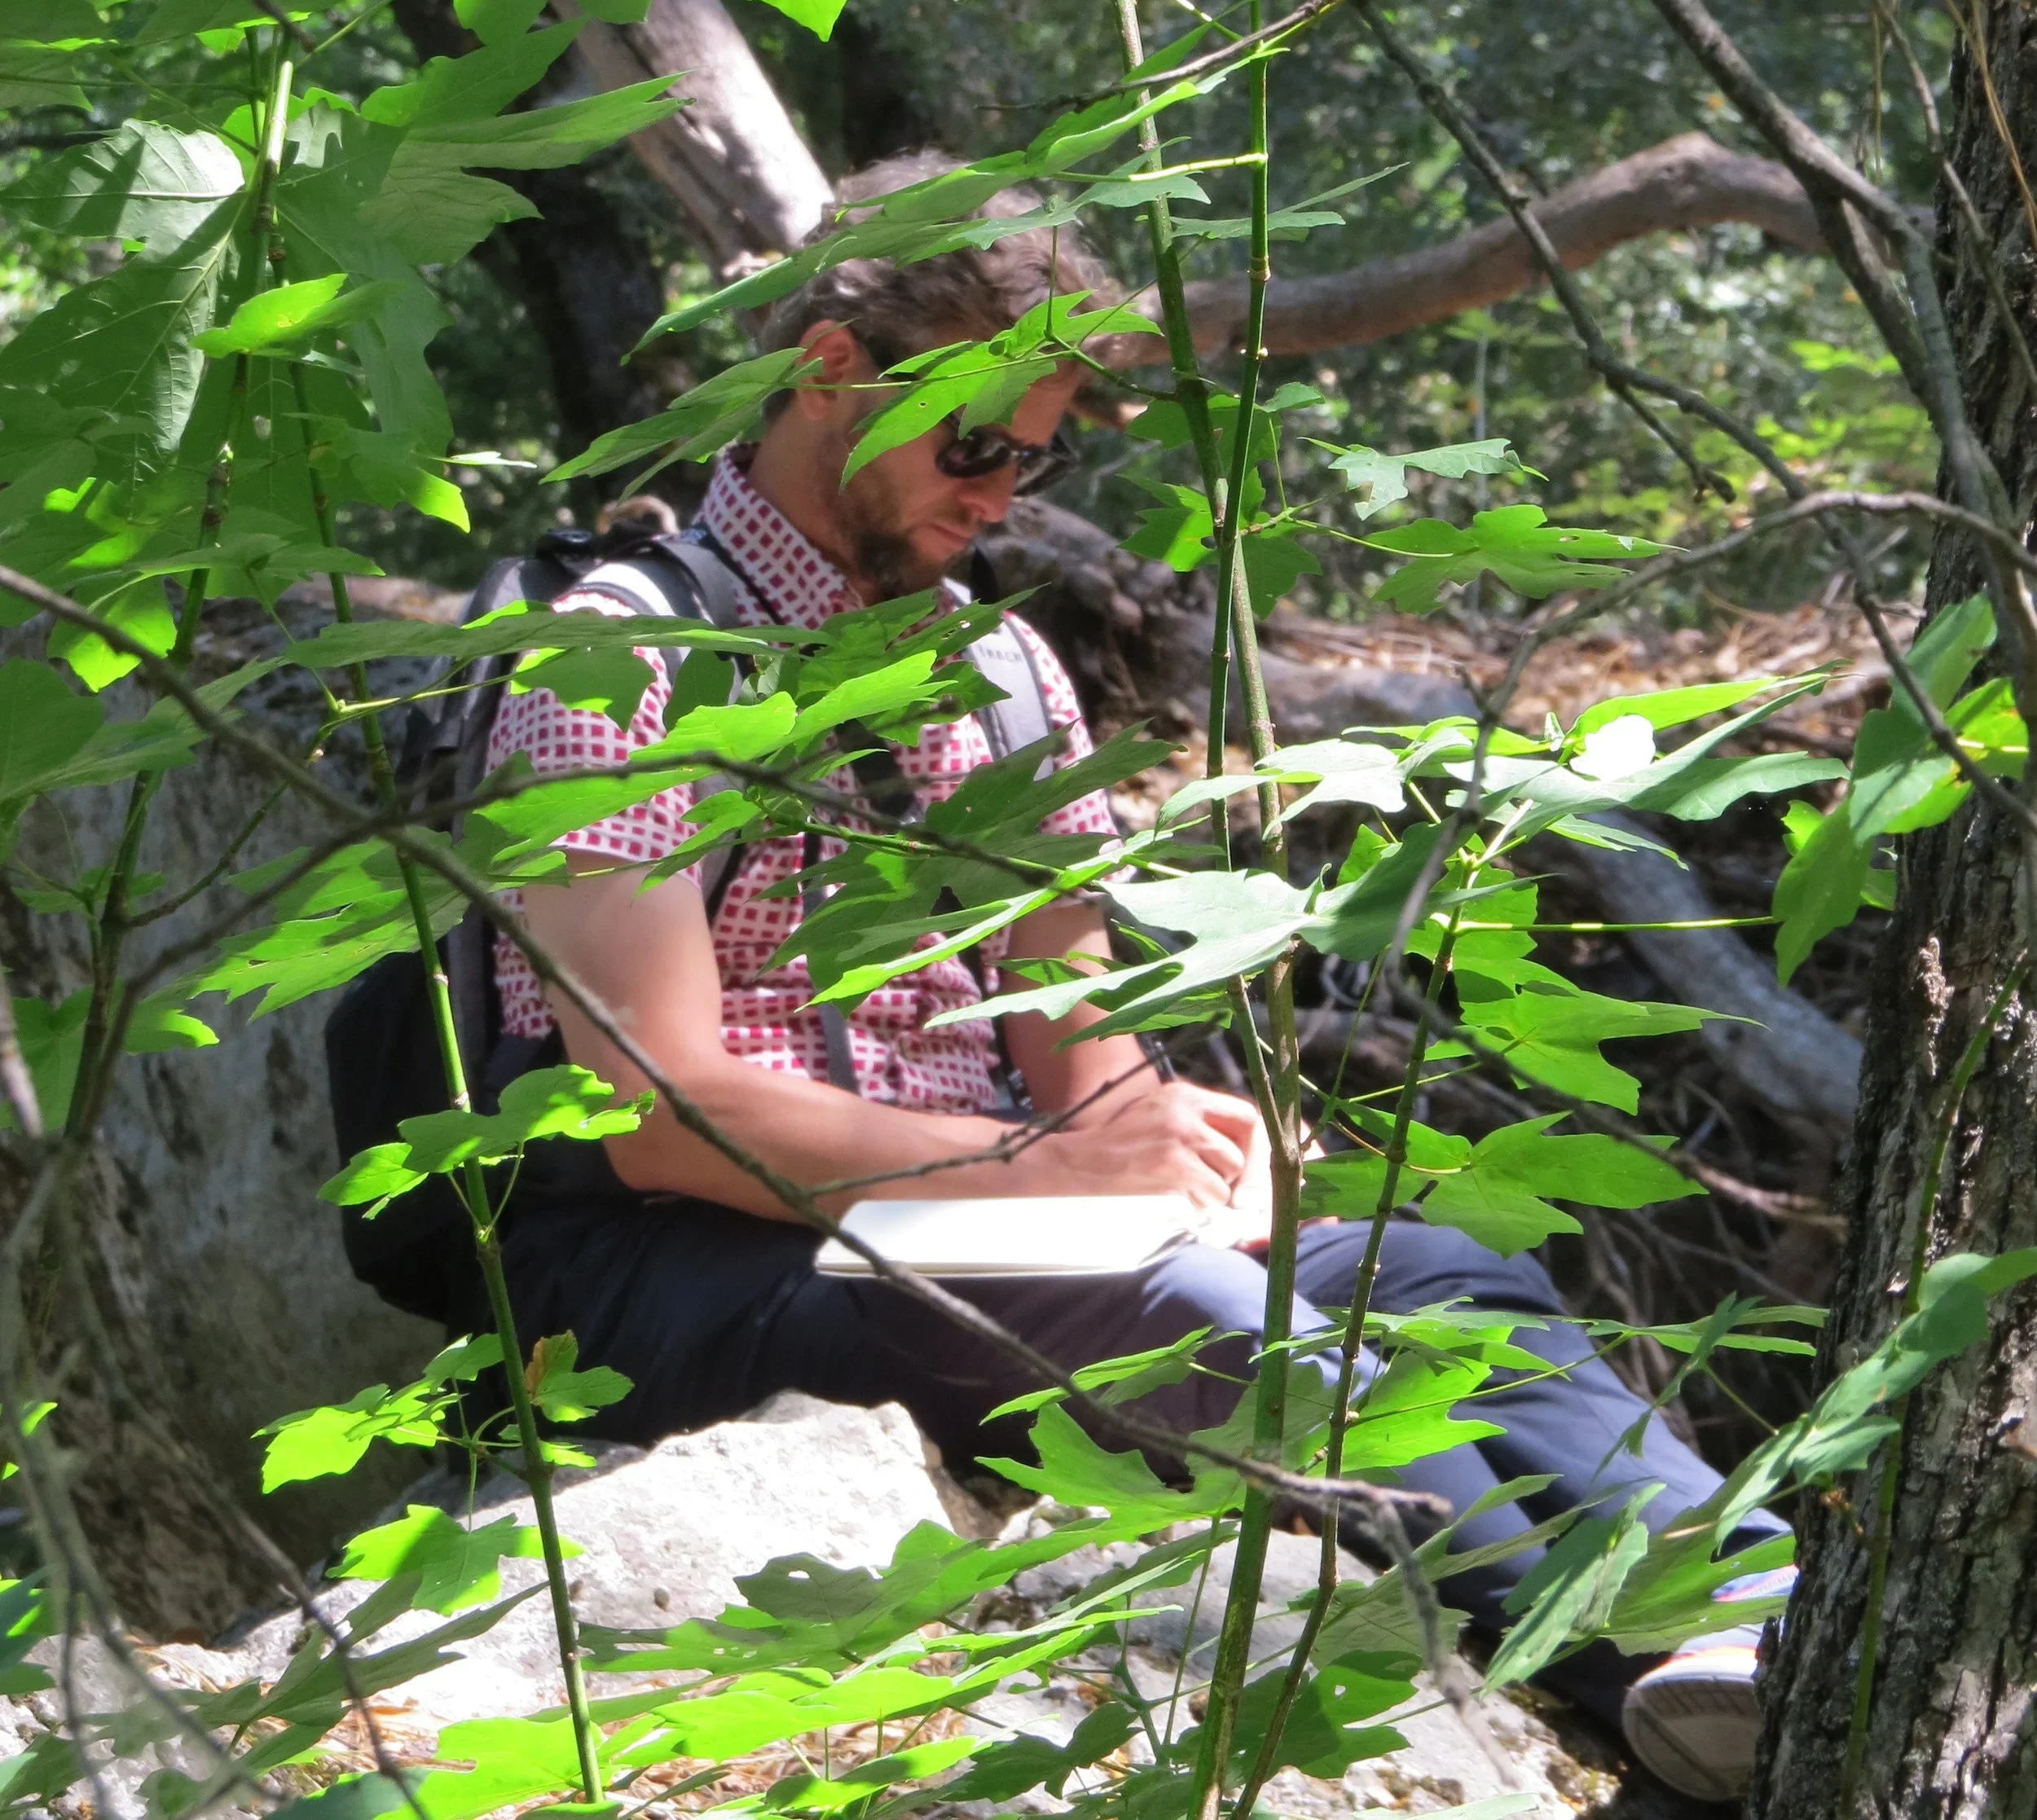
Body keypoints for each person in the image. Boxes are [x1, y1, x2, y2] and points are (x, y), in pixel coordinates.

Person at [492, 152, 1788, 1803]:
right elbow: (657, 1108)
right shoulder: (624, 654)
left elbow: (1070, 1038)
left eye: (1031, 458)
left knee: (1438, 1270)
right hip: (678, 1250)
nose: (997, 491)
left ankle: (1753, 1609)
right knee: (1209, 1326)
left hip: (980, 1218)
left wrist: (1164, 1138)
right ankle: (1602, 1688)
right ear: (827, 376)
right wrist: (1037, 1171)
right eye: (971, 442)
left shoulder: (999, 666)